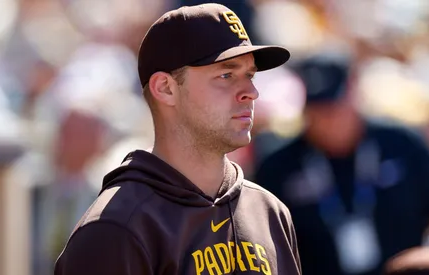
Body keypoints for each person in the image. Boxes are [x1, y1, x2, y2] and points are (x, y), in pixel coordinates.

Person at [54, 3, 301, 275]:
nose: (251, 92)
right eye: (226, 75)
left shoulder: (270, 213)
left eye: (250, 75)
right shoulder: (115, 229)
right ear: (166, 88)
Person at [255, 55, 429, 275]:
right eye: (317, 111)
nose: (328, 120)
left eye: (335, 107)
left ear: (353, 92)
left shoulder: (400, 145)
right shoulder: (279, 169)